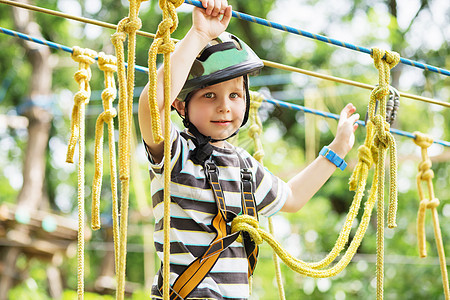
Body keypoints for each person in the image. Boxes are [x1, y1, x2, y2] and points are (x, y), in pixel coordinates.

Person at [138, 1, 360, 299]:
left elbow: (292, 198)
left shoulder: (244, 167)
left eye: (235, 95)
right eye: (209, 95)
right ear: (180, 104)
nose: (224, 106)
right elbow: (153, 105)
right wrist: (199, 34)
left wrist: (338, 149)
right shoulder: (177, 153)